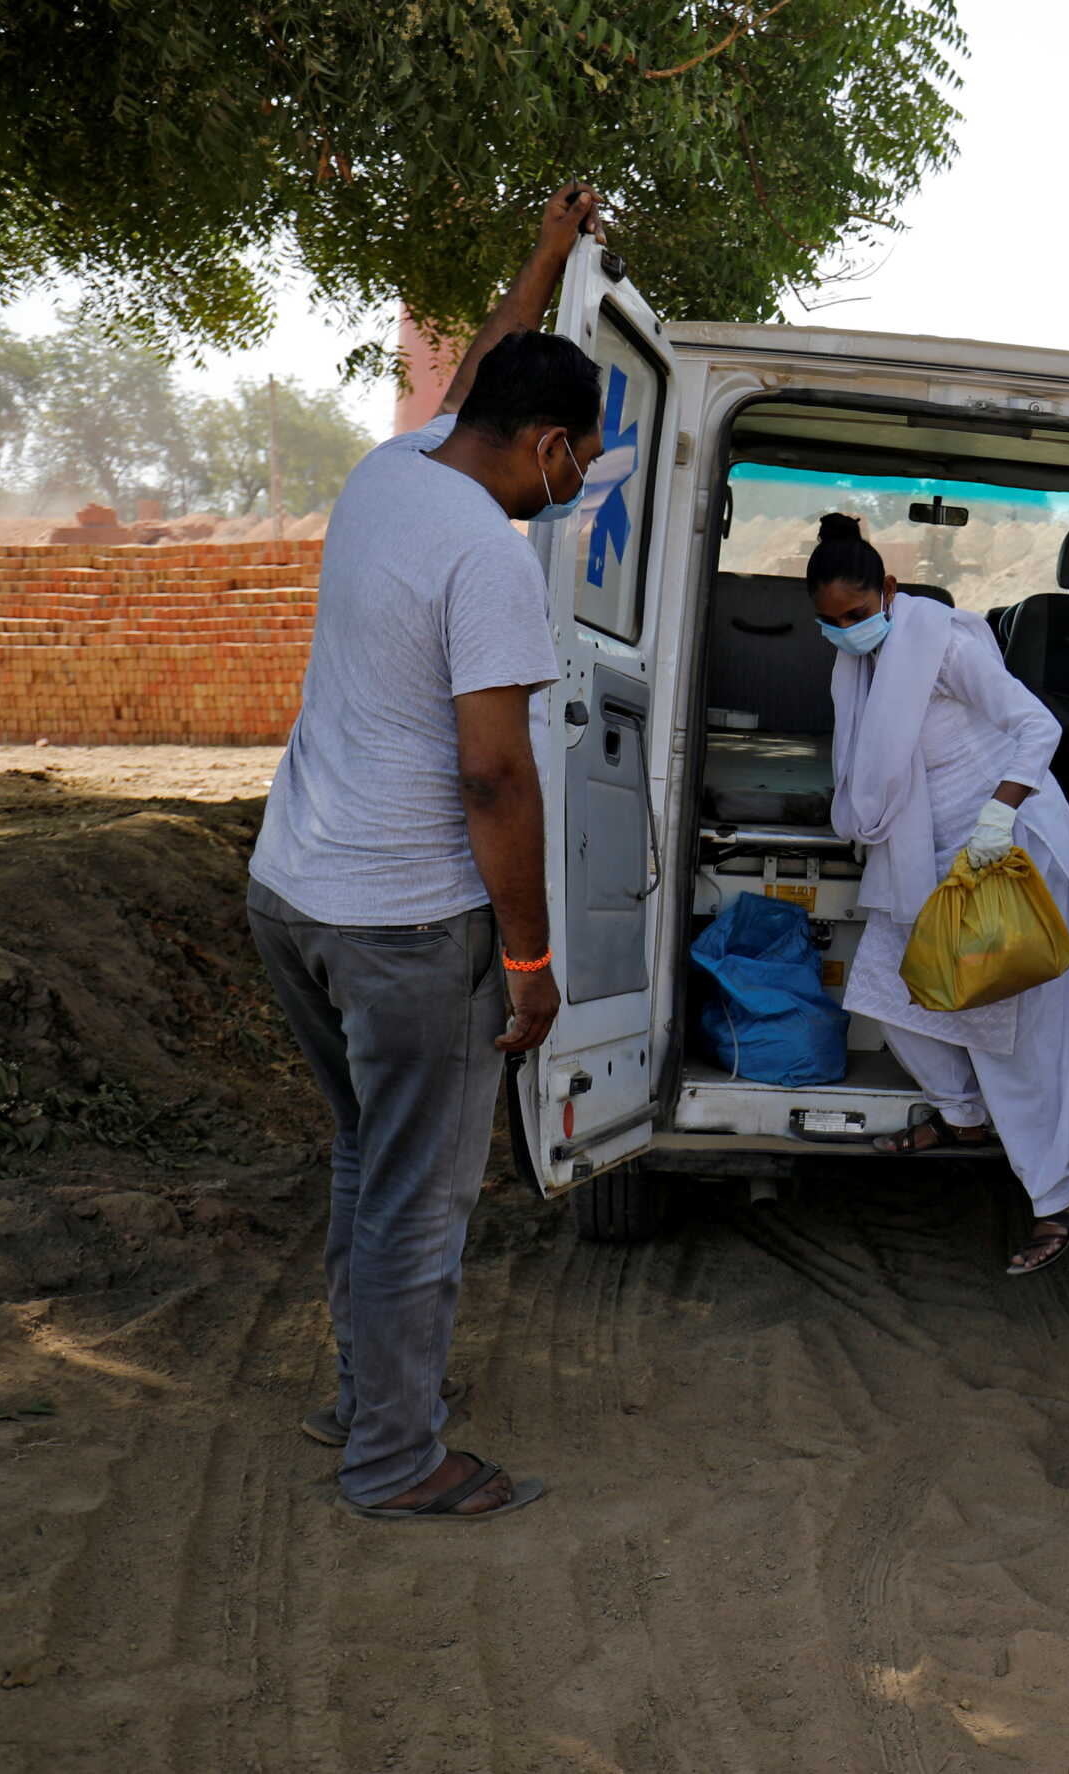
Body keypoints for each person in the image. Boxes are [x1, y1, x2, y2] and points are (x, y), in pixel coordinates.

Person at [247, 182, 609, 1522]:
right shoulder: (492, 560)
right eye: (582, 461)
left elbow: (482, 364)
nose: (578, 485)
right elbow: (494, 774)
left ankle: (364, 1397)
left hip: (293, 894)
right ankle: (396, 1457)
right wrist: (529, 958)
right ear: (552, 444)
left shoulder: (393, 471)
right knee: (417, 1195)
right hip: (405, 930)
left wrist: (548, 253)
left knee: (367, 1158)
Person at [809, 515, 1069, 1275]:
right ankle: (963, 1121)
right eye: (830, 621)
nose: (845, 631)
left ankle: (1060, 1197)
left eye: (856, 614)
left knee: (1011, 1039)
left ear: (891, 591)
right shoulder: (864, 664)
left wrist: (999, 814)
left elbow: (1036, 727)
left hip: (1005, 854)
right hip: (928, 861)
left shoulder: (946, 643)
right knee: (887, 996)